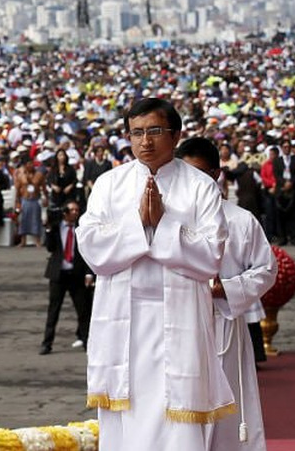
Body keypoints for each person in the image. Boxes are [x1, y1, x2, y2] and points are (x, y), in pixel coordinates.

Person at [78, 97, 233, 450]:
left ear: (175, 135)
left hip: (180, 317)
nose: (145, 141)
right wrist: (138, 224)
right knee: (125, 410)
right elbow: (91, 248)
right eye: (136, 133)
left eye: (154, 131)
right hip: (122, 316)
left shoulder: (200, 186)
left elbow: (211, 255)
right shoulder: (109, 184)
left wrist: (164, 225)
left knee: (176, 417)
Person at [176, 137, 276, 451]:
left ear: (217, 174)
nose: (193, 183)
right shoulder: (167, 219)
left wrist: (226, 289)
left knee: (225, 412)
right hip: (176, 324)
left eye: (201, 174)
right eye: (185, 174)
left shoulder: (240, 220)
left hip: (223, 322)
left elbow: (265, 270)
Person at [39, 200, 93, 354]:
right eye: (72, 210)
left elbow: (87, 253)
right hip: (58, 275)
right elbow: (49, 247)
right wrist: (48, 229)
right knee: (53, 311)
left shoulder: (82, 228)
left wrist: (89, 273)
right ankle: (47, 343)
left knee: (83, 311)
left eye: (77, 210)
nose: (75, 213)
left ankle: (87, 341)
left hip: (77, 274)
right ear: (65, 213)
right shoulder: (56, 228)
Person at [14, 156, 46, 246]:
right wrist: (17, 202)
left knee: (36, 220)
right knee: (23, 220)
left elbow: (43, 188)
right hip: (25, 199)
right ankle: (23, 241)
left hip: (35, 199)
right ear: (25, 165)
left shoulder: (39, 175)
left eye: (32, 163)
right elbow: (18, 190)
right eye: (28, 164)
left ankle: (37, 241)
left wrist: (45, 198)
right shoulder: (21, 176)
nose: (31, 165)